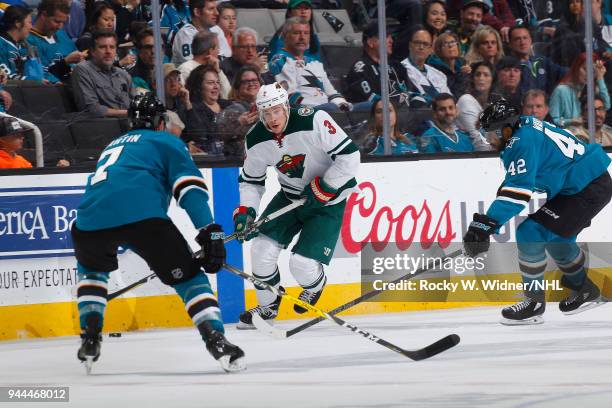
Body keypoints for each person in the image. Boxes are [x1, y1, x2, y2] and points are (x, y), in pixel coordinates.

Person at [72, 93, 245, 373]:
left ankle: (90, 338)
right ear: (160, 122)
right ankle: (217, 340)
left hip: (88, 221)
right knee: (190, 280)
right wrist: (209, 230)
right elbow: (188, 189)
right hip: (144, 218)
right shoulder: (166, 141)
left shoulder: (112, 146)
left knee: (92, 273)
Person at [463, 99, 612, 325]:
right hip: (585, 182)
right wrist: (486, 225)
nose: (489, 140)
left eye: (491, 133)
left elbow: (517, 192)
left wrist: (485, 225)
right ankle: (585, 289)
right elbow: (516, 182)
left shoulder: (519, 142)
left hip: (586, 187)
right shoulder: (525, 126)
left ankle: (534, 303)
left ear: (505, 128)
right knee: (558, 240)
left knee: (530, 232)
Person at [234, 82, 359, 328]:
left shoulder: (314, 120)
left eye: (276, 111)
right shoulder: (256, 138)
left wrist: (326, 186)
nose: (272, 118)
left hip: (328, 201)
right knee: (261, 251)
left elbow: (350, 156)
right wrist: (247, 212)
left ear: (286, 108)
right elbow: (251, 182)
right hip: (290, 197)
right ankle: (268, 308)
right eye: (266, 113)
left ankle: (315, 285)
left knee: (301, 265)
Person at [270, 17, 351, 110]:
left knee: (368, 106)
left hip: (328, 110)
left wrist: (342, 104)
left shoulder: (315, 63)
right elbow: (290, 96)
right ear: (285, 37)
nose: (302, 37)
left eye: (306, 33)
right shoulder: (280, 61)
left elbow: (331, 93)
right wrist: (318, 107)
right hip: (305, 113)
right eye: (296, 33)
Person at [344, 21, 409, 106]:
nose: (391, 41)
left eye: (390, 37)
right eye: (386, 37)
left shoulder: (396, 66)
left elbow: (410, 92)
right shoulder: (360, 70)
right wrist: (399, 100)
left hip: (403, 114)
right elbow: (374, 102)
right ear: (370, 42)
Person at [71, 30, 132, 117]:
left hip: (131, 125)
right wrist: (128, 113)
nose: (108, 51)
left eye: (112, 47)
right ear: (92, 51)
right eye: (102, 47)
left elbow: (135, 104)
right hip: (103, 126)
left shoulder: (124, 75)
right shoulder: (82, 70)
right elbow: (90, 109)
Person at [27, 0, 86, 83]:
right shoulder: (29, 40)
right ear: (44, 15)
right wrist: (65, 62)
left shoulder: (61, 34)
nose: (60, 26)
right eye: (57, 21)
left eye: (63, 22)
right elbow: (41, 75)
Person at [549, 52, 610, 127]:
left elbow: (606, 106)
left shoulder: (593, 90)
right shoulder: (561, 91)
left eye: (593, 71)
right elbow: (552, 122)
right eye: (585, 69)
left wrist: (600, 78)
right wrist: (571, 121)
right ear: (576, 68)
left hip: (589, 134)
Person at [182, 64, 231, 154]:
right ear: (199, 87)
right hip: (207, 162)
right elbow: (199, 137)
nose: (216, 86)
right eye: (210, 83)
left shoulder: (228, 105)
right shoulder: (192, 109)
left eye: (217, 82)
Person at [400, 26, 451, 106]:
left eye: (425, 44)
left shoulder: (439, 75)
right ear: (410, 45)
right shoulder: (400, 70)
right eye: (417, 43)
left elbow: (449, 101)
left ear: (430, 49)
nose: (421, 47)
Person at [456, 61, 498, 151]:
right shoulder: (465, 100)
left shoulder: (496, 102)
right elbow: (479, 142)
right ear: (472, 79)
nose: (481, 78)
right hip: (469, 157)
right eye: (478, 75)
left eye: (486, 75)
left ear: (492, 80)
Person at [171, 0, 226, 65]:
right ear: (197, 12)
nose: (217, 13)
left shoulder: (217, 30)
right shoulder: (185, 34)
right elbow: (192, 65)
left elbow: (225, 59)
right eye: (211, 9)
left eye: (216, 8)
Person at [0, 5, 44, 81]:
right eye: (29, 22)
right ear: (18, 23)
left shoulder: (27, 46)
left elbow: (38, 74)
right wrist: (33, 81)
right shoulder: (1, 45)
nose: (31, 27)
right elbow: (4, 78)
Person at [427, 31, 470, 96]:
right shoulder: (434, 70)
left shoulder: (463, 65)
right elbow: (451, 93)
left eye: (453, 42)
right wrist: (461, 75)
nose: (450, 45)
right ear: (439, 49)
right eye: (446, 43)